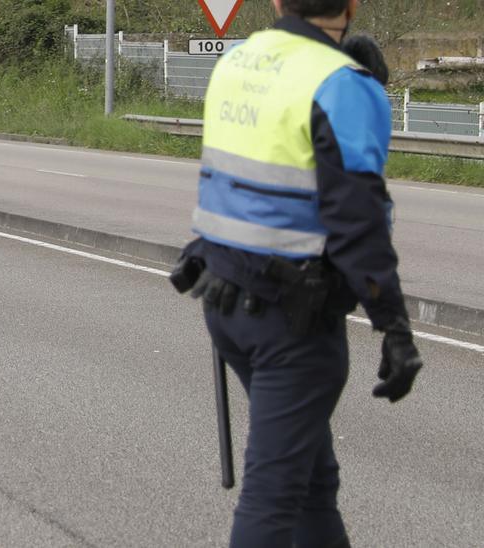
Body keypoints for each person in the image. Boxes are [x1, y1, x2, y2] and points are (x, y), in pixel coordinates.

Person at [171, 1, 424, 546]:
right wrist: (394, 327)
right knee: (273, 499)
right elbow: (358, 221)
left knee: (312, 482)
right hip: (293, 326)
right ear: (352, 4)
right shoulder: (344, 85)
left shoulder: (238, 60)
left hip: (225, 305)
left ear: (277, 2)